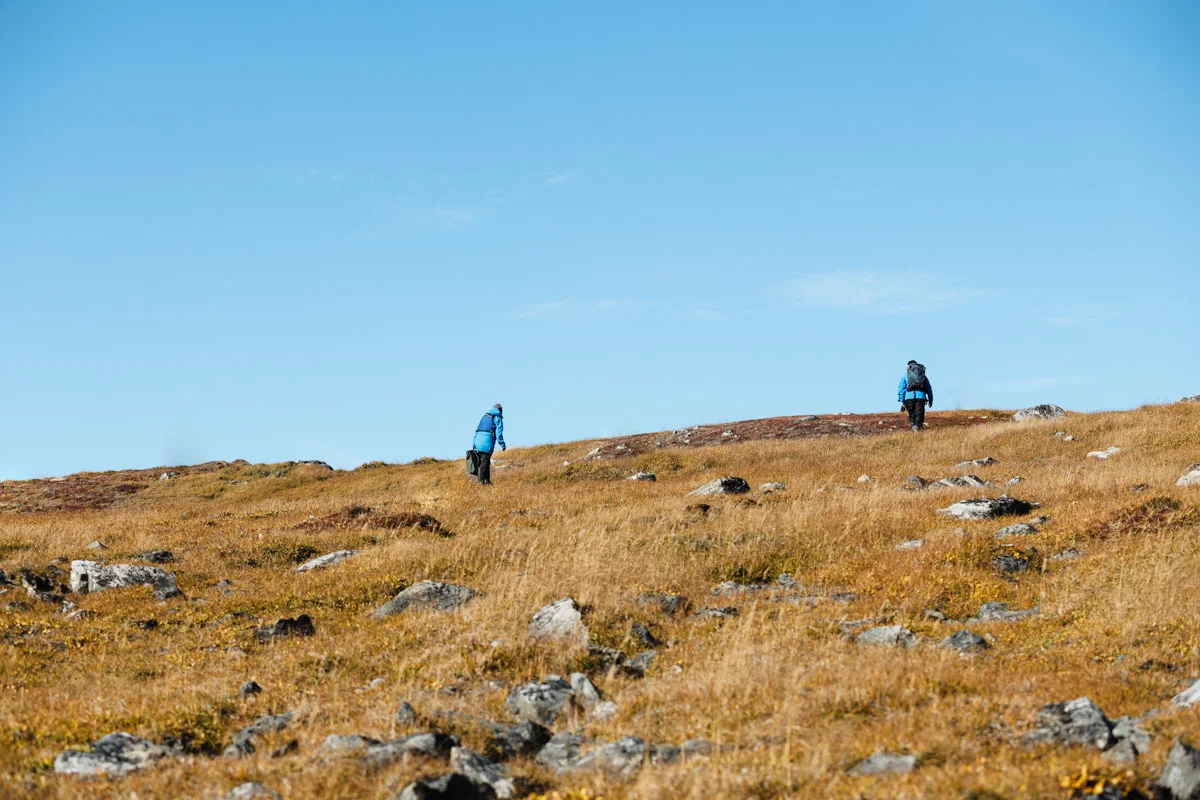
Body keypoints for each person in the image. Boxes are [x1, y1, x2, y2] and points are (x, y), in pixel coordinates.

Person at [471, 404, 505, 485]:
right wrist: (502, 444)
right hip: (487, 442)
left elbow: (476, 430)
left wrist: (474, 444)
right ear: (500, 410)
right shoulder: (497, 417)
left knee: (485, 462)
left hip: (477, 442)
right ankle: (481, 482)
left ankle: (487, 481)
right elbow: (499, 433)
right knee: (484, 463)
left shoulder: (484, 417)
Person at [897, 361, 933, 432]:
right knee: (919, 413)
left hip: (909, 397)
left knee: (912, 413)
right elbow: (929, 388)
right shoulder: (922, 375)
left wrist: (902, 400)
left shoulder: (905, 375)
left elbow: (901, 389)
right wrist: (930, 399)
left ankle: (913, 426)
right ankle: (918, 427)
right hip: (921, 397)